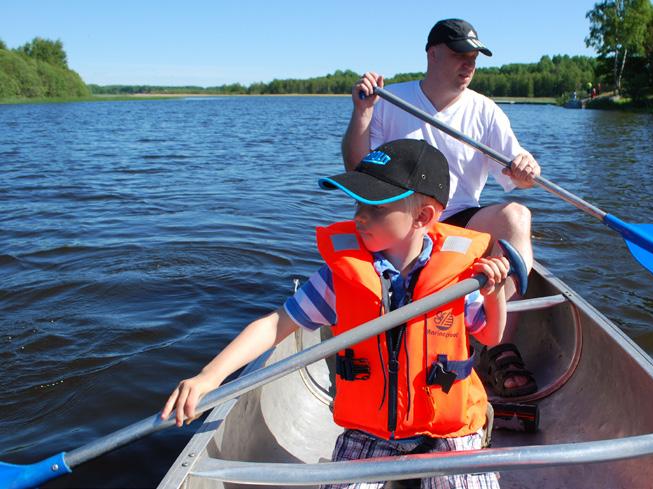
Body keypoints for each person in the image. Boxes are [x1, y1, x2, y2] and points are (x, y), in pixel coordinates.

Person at [161, 139, 511, 489]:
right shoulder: (340, 278)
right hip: (373, 429)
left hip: (449, 427)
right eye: (358, 202)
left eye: (375, 207)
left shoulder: (460, 277)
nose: (358, 216)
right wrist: (210, 376)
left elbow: (491, 335)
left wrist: (493, 295)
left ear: (423, 217)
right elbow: (275, 326)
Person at [341, 18, 539, 397]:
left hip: (460, 220)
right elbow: (356, 168)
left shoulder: (486, 111)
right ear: (432, 54)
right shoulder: (389, 100)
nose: (469, 64)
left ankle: (490, 327)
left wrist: (527, 167)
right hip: (405, 222)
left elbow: (519, 174)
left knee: (518, 216)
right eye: (459, 55)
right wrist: (362, 113)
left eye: (474, 58)